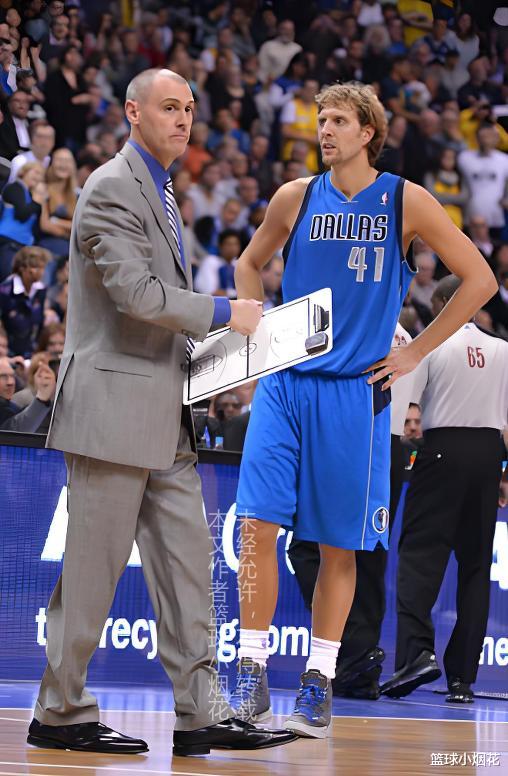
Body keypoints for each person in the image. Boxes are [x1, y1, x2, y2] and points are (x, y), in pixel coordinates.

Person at [28, 68, 295, 758]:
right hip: (113, 414)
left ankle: (199, 713)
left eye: (189, 109)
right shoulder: (111, 187)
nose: (183, 119)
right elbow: (138, 296)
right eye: (169, 107)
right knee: (91, 578)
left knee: (188, 573)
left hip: (165, 415)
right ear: (132, 112)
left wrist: (217, 354)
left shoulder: (162, 189)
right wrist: (225, 312)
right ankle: (59, 712)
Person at [228, 81, 496, 739]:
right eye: (322, 119)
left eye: (338, 121)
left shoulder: (406, 200)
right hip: (286, 384)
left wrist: (415, 353)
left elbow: (480, 279)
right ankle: (250, 669)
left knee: (338, 544)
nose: (324, 130)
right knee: (256, 527)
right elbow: (248, 263)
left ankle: (319, 678)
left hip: (355, 392)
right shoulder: (295, 196)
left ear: (368, 132)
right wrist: (256, 328)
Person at [381, 275, 508, 703]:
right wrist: (503, 474)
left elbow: (407, 409)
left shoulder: (431, 346)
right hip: (488, 456)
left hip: (442, 450)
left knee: (420, 556)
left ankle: (416, 656)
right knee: (475, 568)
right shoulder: (502, 349)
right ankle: (462, 680)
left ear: (440, 304)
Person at [287, 323, 416, 701]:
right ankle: (362, 661)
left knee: (310, 546)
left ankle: (347, 646)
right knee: (370, 555)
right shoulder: (409, 340)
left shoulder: (358, 325)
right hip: (391, 448)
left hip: (349, 437)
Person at [0, 354, 55, 431]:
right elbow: (16, 430)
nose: (10, 382)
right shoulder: (21, 400)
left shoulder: (13, 408)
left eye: (12, 376)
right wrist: (41, 398)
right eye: (2, 376)